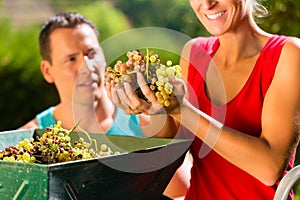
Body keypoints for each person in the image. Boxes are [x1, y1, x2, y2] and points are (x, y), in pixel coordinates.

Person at [106, 0, 300, 199]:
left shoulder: (288, 54)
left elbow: (269, 169)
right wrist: (155, 107)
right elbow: (172, 153)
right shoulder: (196, 52)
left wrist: (182, 110)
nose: (207, 4)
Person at [18, 12, 176, 138]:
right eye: (71, 59)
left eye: (92, 54)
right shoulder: (28, 140)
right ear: (47, 71)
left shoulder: (146, 125)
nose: (87, 66)